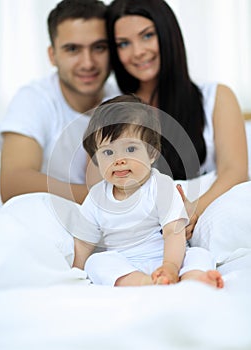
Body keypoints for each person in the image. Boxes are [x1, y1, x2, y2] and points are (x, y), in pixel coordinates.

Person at [106, 0, 248, 238]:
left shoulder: (216, 97)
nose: (138, 51)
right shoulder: (112, 111)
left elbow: (235, 172)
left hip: (200, 218)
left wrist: (190, 212)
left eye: (148, 35)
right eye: (123, 43)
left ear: (167, 33)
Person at [72, 94, 224, 288]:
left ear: (152, 153)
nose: (119, 160)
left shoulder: (161, 186)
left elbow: (173, 232)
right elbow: (84, 243)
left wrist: (169, 266)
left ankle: (193, 278)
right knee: (96, 263)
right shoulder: (96, 198)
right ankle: (146, 282)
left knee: (199, 254)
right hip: (127, 264)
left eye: (131, 149)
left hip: (167, 256)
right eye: (108, 152)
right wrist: (73, 271)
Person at [0, 0, 120, 205]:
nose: (88, 63)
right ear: (52, 55)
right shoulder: (35, 98)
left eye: (99, 47)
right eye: (73, 49)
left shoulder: (121, 100)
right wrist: (107, 200)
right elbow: (13, 184)